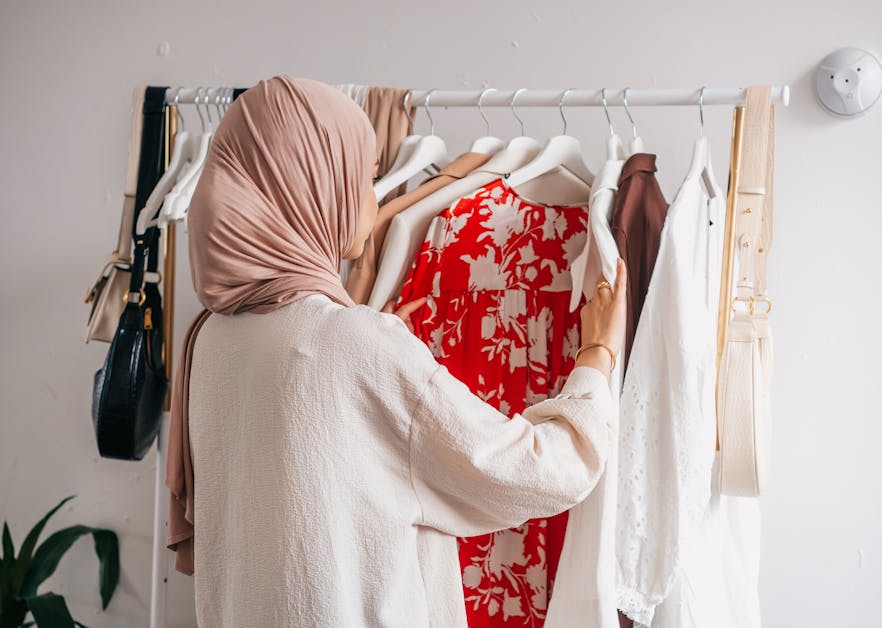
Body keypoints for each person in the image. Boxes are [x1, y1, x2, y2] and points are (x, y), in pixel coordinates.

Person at [165, 75, 627, 628]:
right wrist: (597, 353)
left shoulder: (211, 338)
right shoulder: (351, 345)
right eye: (362, 178)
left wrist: (373, 343)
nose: (374, 196)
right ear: (310, 190)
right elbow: (539, 469)